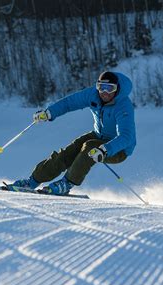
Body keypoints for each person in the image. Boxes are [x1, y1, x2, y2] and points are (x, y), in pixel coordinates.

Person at [7, 71, 136, 196]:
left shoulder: (123, 106)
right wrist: (49, 113)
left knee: (90, 148)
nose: (105, 92)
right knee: (70, 151)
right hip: (97, 135)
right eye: (101, 87)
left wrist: (106, 149)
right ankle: (32, 181)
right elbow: (69, 103)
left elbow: (126, 137)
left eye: (109, 88)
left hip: (119, 148)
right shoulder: (93, 94)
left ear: (117, 88)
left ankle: (67, 184)